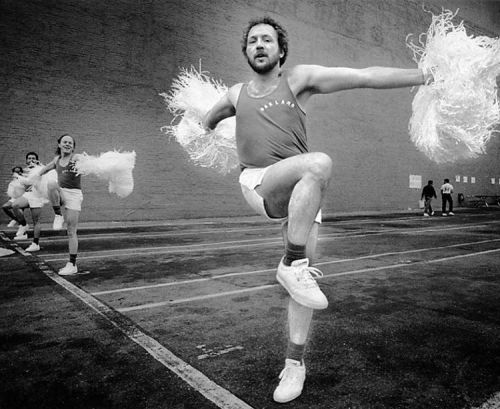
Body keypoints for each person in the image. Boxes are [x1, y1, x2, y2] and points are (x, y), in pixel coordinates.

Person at [203, 16, 432, 403]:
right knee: (319, 163)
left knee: (303, 285)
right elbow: (205, 122)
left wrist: (423, 75)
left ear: (281, 50)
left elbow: (364, 76)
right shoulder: (235, 92)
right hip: (260, 183)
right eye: (253, 41)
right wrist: (202, 129)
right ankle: (290, 263)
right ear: (246, 51)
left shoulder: (299, 80)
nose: (260, 45)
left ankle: (295, 364)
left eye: (268, 40)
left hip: (303, 194)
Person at [37, 134, 83, 275]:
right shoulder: (56, 160)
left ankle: (72, 264)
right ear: (59, 144)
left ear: (73, 147)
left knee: (71, 230)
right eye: (65, 142)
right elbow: (43, 170)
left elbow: (87, 164)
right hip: (61, 192)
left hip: (74, 195)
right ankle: (58, 214)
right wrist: (32, 180)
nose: (67, 144)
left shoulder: (76, 158)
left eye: (70, 143)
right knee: (51, 184)